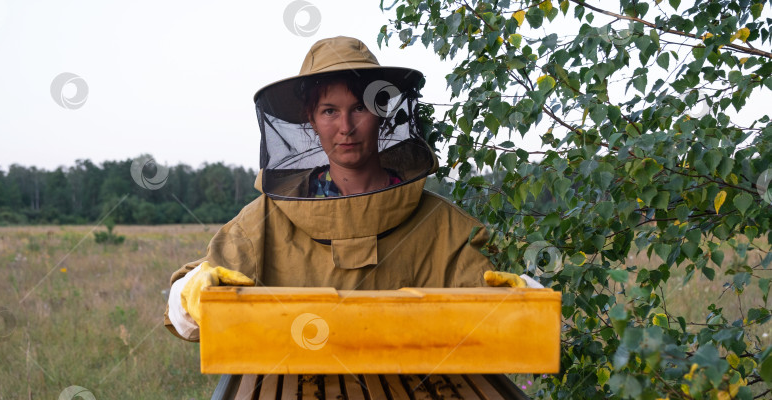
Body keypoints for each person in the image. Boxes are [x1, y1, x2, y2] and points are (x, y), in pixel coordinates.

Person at [165, 36, 540, 342]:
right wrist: (190, 294)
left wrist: (526, 297)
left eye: (359, 108)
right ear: (311, 121)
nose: (345, 126)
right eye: (329, 111)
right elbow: (188, 319)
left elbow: (504, 319)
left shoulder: (443, 227)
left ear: (382, 115)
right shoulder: (263, 221)